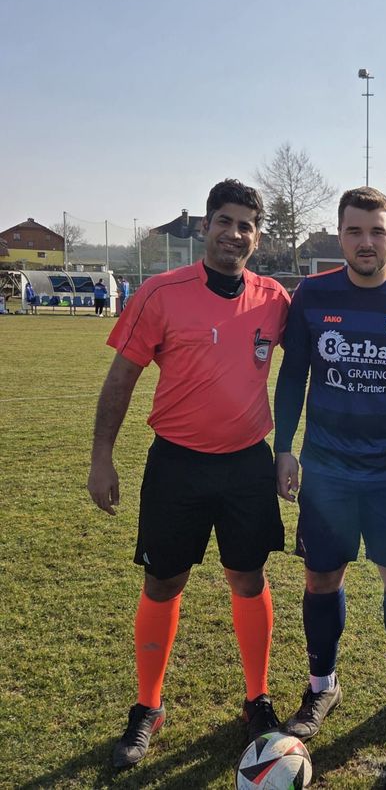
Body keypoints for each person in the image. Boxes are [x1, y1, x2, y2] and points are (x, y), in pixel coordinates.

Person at [86, 179, 291, 768]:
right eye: (224, 222)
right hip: (176, 463)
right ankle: (148, 706)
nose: (235, 234)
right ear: (206, 227)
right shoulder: (159, 293)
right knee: (163, 582)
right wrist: (102, 456)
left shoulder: (274, 298)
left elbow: (309, 365)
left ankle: (257, 698)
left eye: (246, 225)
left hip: (247, 462)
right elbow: (121, 379)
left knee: (248, 577)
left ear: (258, 234)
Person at [274, 186, 386, 740]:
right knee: (321, 576)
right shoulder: (310, 295)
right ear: (339, 235)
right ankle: (323, 683)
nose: (366, 242)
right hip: (326, 471)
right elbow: (291, 377)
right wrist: (284, 447)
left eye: (376, 231)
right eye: (355, 231)